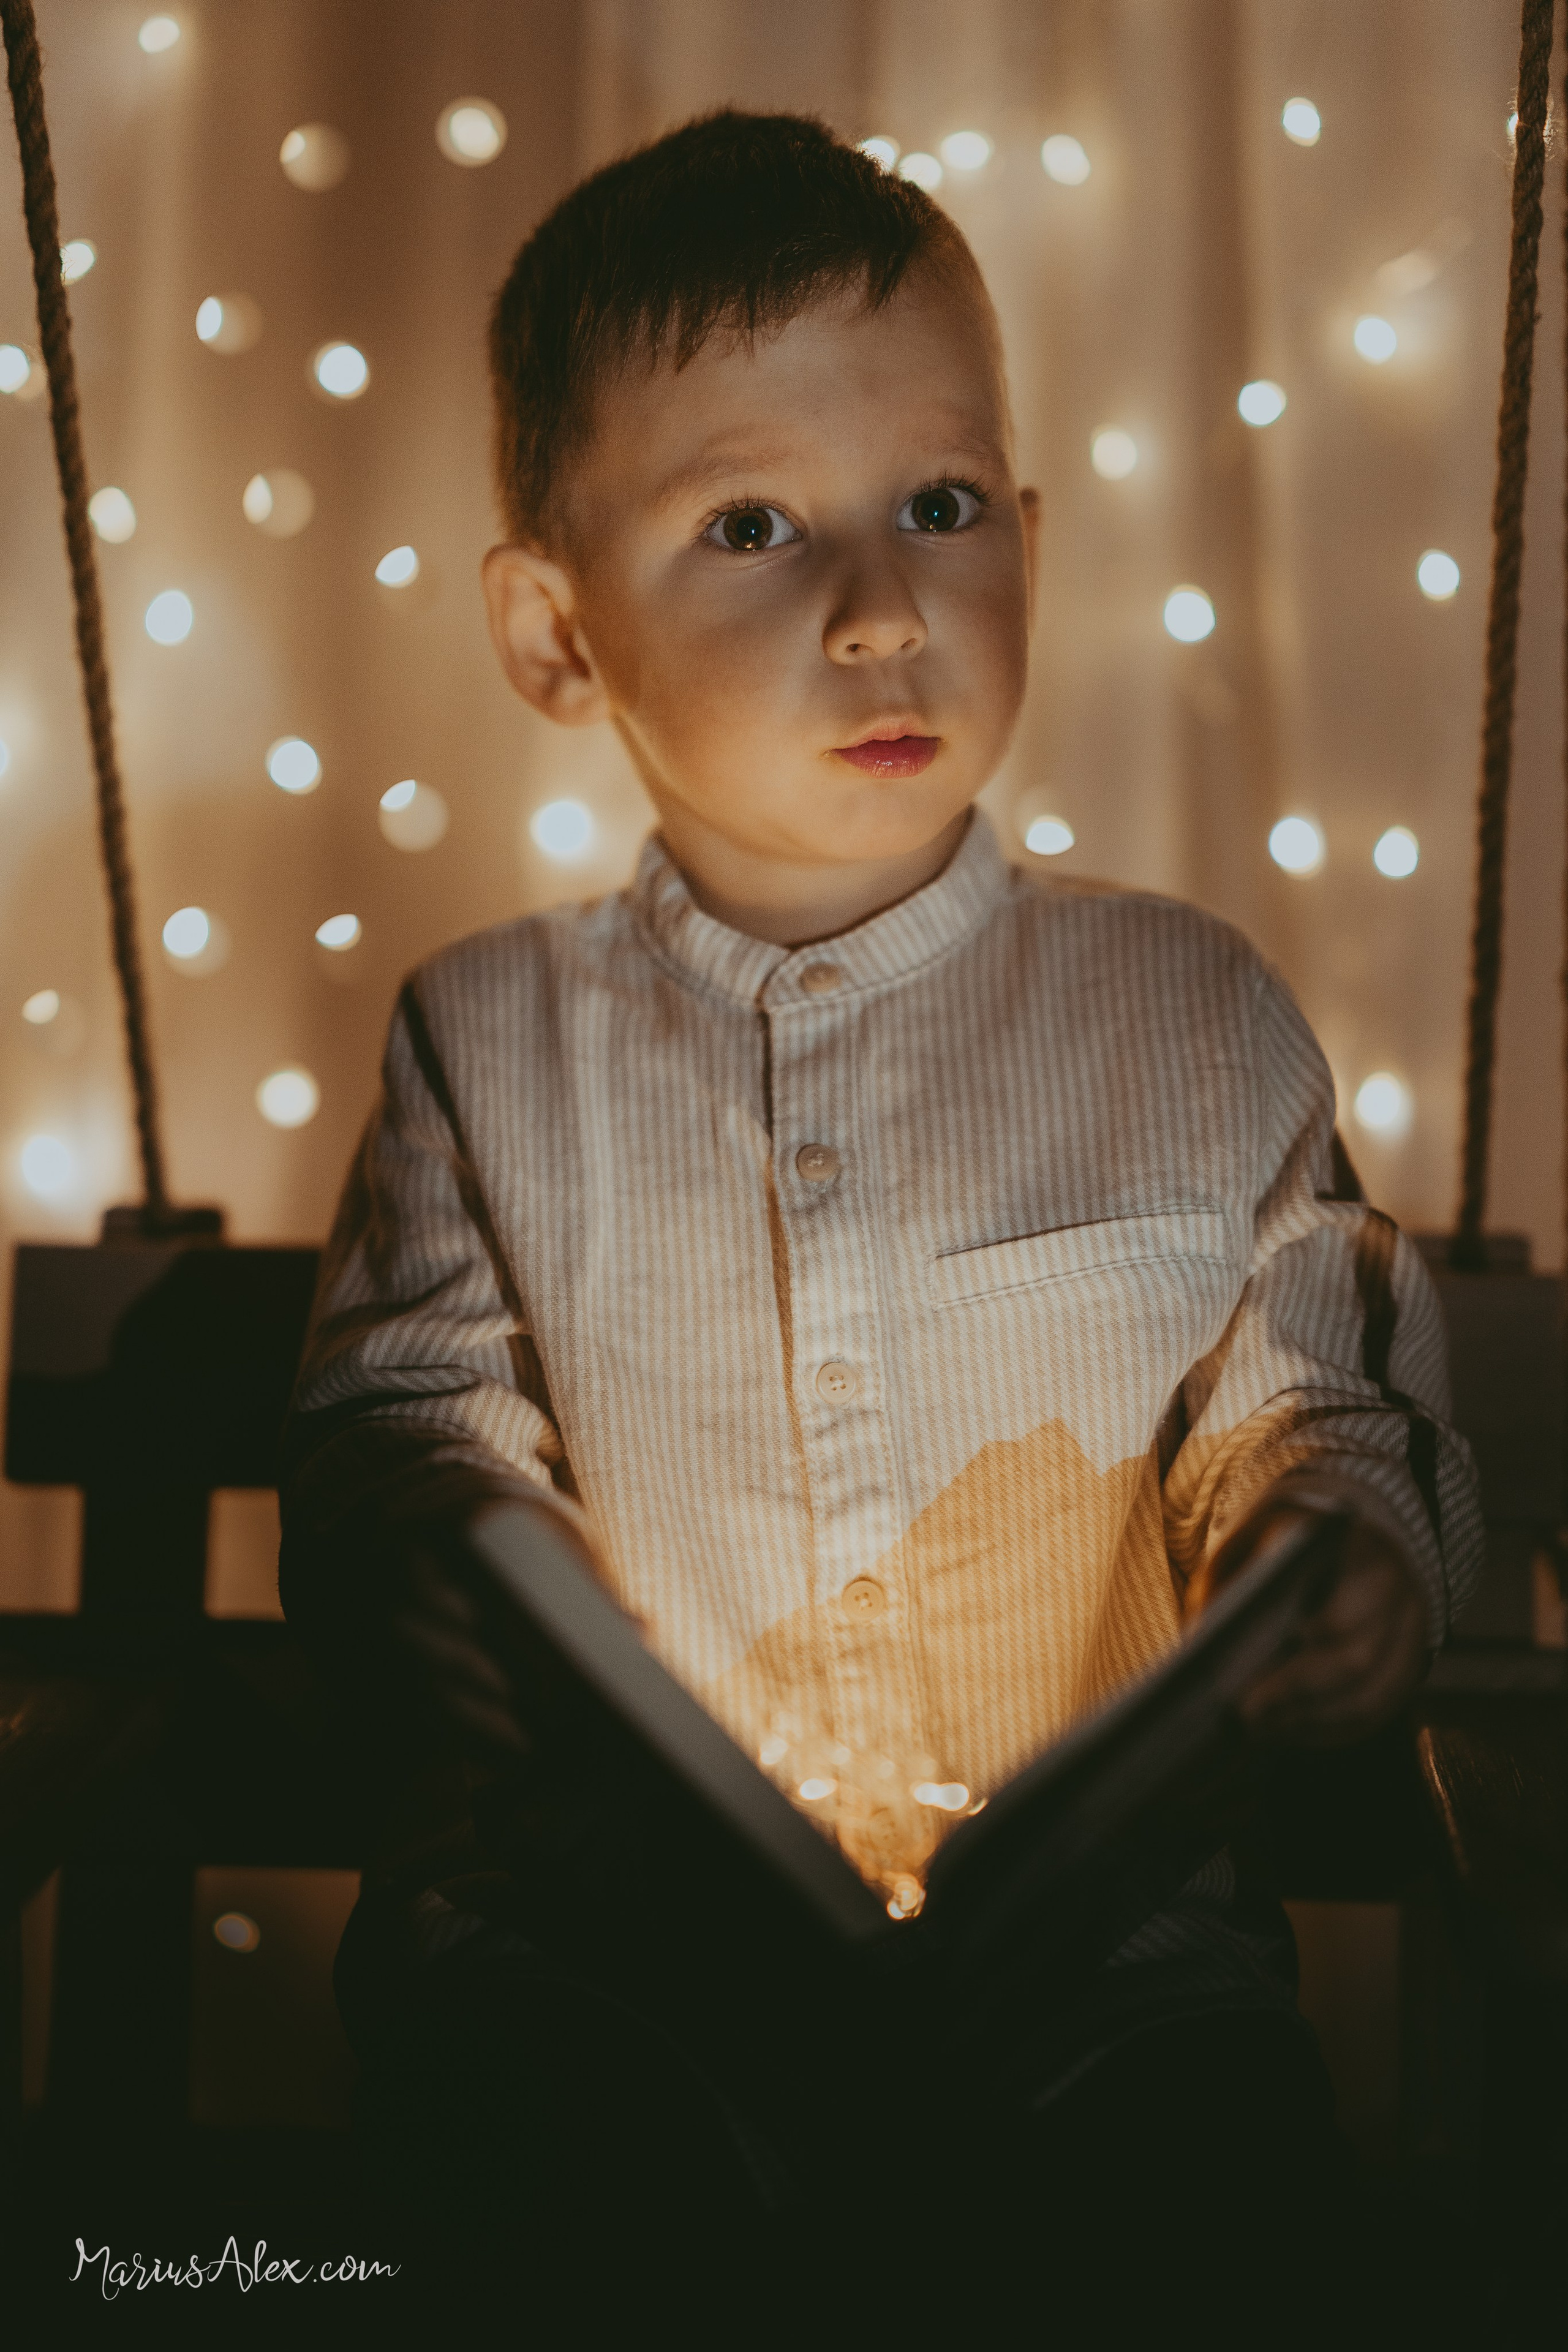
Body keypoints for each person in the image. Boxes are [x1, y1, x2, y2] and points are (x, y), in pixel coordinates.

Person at [278, 109, 1483, 2332]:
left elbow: (1315, 1365)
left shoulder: (1187, 1011)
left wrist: (1332, 1542)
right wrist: (424, 1543)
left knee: (1223, 2222)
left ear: (1027, 532)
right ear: (554, 631)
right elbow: (406, 1403)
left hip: (1103, 1993)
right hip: (604, 1970)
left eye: (939, 508)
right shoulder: (484, 1041)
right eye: (750, 524)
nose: (876, 606)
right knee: (510, 2199)